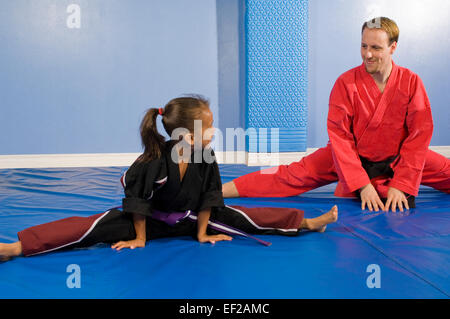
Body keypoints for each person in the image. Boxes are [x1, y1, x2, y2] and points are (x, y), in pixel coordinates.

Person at [0, 95, 338, 262]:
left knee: (245, 216)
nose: (214, 132)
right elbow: (137, 202)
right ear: (188, 136)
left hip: (191, 221)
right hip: (147, 221)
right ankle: (17, 247)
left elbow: (209, 196)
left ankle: (306, 223)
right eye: (208, 127)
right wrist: (139, 238)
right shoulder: (153, 161)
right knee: (91, 228)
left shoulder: (205, 157)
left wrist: (204, 232)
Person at [223, 17, 450, 213]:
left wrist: (401, 184)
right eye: (363, 46)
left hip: (399, 159)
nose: (367, 54)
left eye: (376, 48)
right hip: (349, 158)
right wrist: (362, 185)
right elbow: (340, 137)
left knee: (446, 171)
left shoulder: (410, 82)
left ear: (393, 47)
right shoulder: (346, 83)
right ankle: (217, 191)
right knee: (289, 175)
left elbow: (420, 134)